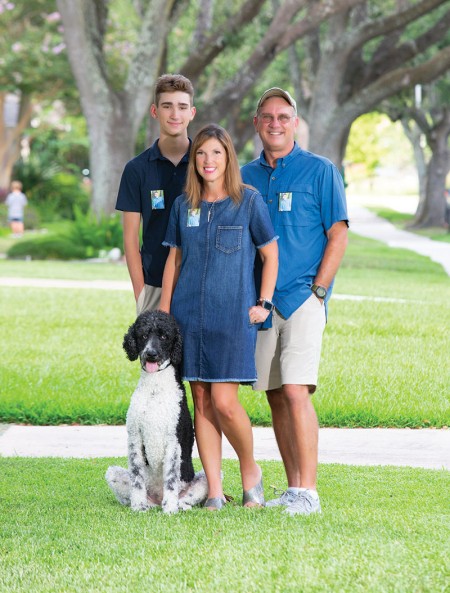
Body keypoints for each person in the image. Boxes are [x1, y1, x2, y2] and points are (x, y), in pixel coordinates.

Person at [241, 88, 349, 516]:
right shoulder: (243, 174)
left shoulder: (321, 171)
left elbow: (338, 233)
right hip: (262, 303)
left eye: (283, 117)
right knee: (273, 395)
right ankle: (292, 489)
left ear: (295, 122)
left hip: (305, 297)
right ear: (256, 123)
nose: (275, 123)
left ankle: (310, 491)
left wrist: (320, 291)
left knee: (296, 389)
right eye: (267, 116)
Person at [160, 124, 278, 510]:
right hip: (188, 317)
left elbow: (270, 254)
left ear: (228, 158)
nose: (208, 161)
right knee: (201, 400)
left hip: (232, 318)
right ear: (194, 160)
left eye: (216, 153)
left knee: (225, 402)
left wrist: (264, 302)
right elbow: (174, 259)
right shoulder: (184, 206)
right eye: (201, 154)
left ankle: (251, 471)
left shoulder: (248, 201)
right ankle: (213, 489)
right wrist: (164, 310)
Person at [116, 74, 196, 314]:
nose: (175, 114)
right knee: (155, 354)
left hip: (197, 284)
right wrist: (142, 295)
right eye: (167, 106)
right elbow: (130, 239)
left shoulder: (205, 165)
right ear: (154, 111)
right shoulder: (136, 169)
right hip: (153, 285)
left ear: (192, 113)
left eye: (182, 107)